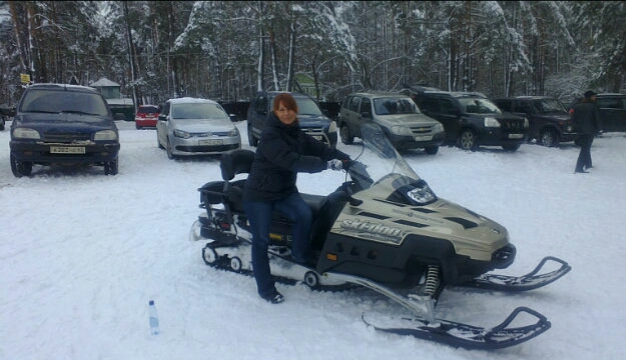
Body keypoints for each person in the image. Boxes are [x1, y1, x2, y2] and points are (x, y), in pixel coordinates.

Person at [243, 93, 351, 304]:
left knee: (304, 214)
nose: (286, 113)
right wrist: (326, 165)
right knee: (261, 240)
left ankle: (300, 257)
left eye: (290, 109)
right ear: (275, 112)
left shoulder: (295, 132)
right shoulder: (270, 135)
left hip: (284, 192)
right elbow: (290, 160)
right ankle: (265, 289)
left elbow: (317, 147)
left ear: (295, 111)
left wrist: (341, 157)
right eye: (281, 110)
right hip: (259, 195)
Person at [572, 90, 600, 173]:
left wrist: (576, 128)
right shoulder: (593, 107)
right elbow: (597, 119)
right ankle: (579, 167)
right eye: (594, 96)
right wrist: (599, 129)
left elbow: (573, 119)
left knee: (586, 147)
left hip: (580, 130)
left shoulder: (577, 106)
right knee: (585, 148)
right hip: (589, 130)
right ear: (590, 97)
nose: (595, 97)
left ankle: (588, 164)